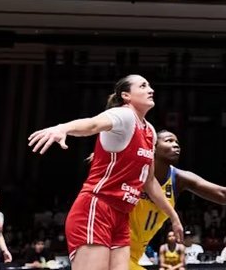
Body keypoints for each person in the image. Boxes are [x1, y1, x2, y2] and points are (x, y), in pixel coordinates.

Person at [28, 75, 184, 270]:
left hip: (121, 215)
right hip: (97, 207)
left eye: (150, 85)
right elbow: (93, 125)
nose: (150, 89)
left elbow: (149, 180)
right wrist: (63, 128)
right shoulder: (124, 115)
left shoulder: (150, 132)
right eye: (143, 86)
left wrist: (173, 216)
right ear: (126, 95)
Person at [129, 130, 226, 270]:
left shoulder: (178, 178)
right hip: (115, 243)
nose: (176, 145)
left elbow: (221, 194)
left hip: (135, 253)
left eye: (177, 142)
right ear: (153, 147)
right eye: (169, 141)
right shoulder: (134, 170)